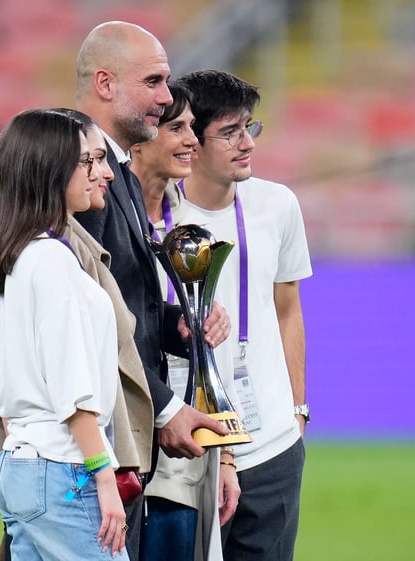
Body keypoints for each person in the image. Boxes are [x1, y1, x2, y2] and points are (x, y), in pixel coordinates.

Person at [0, 109, 154, 561]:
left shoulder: (12, 255)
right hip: (65, 471)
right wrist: (102, 475)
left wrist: (29, 446)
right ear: (51, 171)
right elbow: (73, 393)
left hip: (20, 468)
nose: (105, 173)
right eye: (89, 162)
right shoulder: (54, 263)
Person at [72, 21, 232, 559]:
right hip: (90, 448)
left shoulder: (116, 171)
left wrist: (175, 323)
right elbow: (83, 319)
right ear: (105, 83)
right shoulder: (77, 171)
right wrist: (164, 409)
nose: (166, 99)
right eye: (155, 82)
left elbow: (119, 300)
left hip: (120, 440)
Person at [176, 69, 313, 561]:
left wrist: (297, 412)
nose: (247, 144)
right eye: (230, 132)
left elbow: (288, 309)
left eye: (250, 128)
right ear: (192, 139)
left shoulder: (278, 205)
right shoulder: (158, 219)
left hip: (273, 443)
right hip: (188, 451)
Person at [129, 81, 239, 561]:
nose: (193, 140)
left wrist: (199, 322)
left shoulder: (192, 218)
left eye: (193, 127)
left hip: (187, 443)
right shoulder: (101, 212)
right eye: (178, 128)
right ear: (142, 134)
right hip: (131, 432)